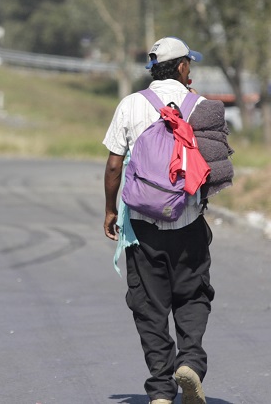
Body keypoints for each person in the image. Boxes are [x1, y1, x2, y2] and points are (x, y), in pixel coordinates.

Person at [102, 36, 216, 404]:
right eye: (189, 64)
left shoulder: (130, 104)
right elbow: (215, 165)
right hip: (188, 222)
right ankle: (191, 364)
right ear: (182, 67)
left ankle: (161, 391)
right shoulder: (200, 105)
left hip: (141, 226)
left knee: (148, 306)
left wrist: (109, 209)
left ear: (154, 67)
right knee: (194, 295)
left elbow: (114, 165)